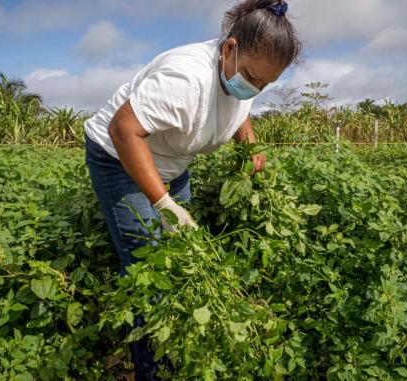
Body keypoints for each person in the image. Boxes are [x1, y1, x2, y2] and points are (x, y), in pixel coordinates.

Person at [83, 0, 301, 379]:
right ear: (229, 48)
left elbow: (240, 107)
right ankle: (153, 369)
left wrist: (249, 145)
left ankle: (177, 343)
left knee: (183, 253)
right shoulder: (185, 79)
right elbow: (123, 130)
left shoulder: (243, 73)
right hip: (118, 154)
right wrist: (165, 203)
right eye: (251, 77)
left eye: (265, 84)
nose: (254, 88)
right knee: (146, 263)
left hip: (172, 158)